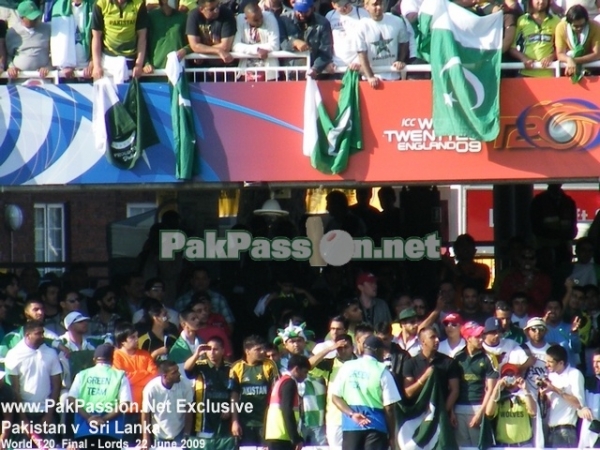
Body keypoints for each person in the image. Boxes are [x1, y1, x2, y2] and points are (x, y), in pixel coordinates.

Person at [331, 335, 401, 450]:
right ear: (378, 350)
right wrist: (392, 435)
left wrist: (352, 414)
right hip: (376, 427)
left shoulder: (347, 366)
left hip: (351, 426)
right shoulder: (382, 371)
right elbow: (389, 408)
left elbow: (335, 397)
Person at [5, 320, 62, 441]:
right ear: (27, 335)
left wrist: (49, 414)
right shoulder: (14, 355)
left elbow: (57, 385)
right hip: (24, 411)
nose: (42, 336)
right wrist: (23, 419)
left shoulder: (51, 353)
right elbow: (15, 389)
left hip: (46, 411)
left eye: (43, 333)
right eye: (38, 333)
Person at [68, 344, 132, 449]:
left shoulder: (82, 375)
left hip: (84, 430)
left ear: (94, 359)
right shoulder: (120, 376)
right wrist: (104, 419)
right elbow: (125, 404)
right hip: (111, 431)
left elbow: (71, 399)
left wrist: (89, 418)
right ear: (112, 360)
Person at [453, 321, 499, 447]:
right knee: (461, 447)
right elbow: (452, 387)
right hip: (459, 408)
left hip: (479, 407)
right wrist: (451, 411)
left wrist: (480, 413)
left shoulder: (489, 358)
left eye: (482, 335)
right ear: (467, 338)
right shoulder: (457, 357)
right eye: (477, 336)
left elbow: (491, 389)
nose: (481, 339)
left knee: (478, 446)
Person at [403, 327, 460, 425]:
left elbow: (455, 390)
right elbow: (408, 393)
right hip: (417, 418)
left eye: (437, 337)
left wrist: (443, 412)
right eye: (432, 337)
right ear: (423, 341)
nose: (437, 340)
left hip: (440, 416)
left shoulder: (448, 362)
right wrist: (424, 378)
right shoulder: (410, 364)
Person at [230, 335, 280, 446]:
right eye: (258, 349)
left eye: (263, 348)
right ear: (247, 351)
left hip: (266, 421)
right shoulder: (236, 367)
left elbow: (276, 392)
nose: (263, 351)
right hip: (245, 422)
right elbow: (234, 396)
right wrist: (235, 421)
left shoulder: (270, 365)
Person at [91, 0, 148, 81]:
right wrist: (96, 66)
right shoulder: (101, 4)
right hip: (107, 58)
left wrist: (139, 64)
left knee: (123, 91)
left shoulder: (139, 4)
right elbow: (96, 37)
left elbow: (142, 37)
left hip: (130, 58)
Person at [541, 344, 586, 448]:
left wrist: (555, 389)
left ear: (561, 363)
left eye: (550, 362)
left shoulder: (574, 374)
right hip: (550, 430)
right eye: (546, 361)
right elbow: (549, 405)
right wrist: (543, 394)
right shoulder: (551, 376)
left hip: (566, 430)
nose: (546, 365)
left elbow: (579, 403)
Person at [355, 0, 408, 86]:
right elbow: (361, 54)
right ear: (366, 6)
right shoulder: (361, 26)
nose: (379, 7)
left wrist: (400, 60)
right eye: (375, 4)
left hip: (393, 77)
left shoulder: (397, 21)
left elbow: (404, 43)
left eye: (380, 4)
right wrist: (370, 76)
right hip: (370, 81)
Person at [142, 361, 193, 448]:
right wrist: (146, 437)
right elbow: (145, 413)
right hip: (159, 433)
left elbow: (189, 411)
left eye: (177, 370)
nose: (179, 374)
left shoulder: (186, 384)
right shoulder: (151, 388)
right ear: (165, 376)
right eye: (174, 372)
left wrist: (186, 434)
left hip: (180, 432)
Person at [484, 363, 538, 447]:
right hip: (503, 446)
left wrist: (525, 389)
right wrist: (496, 389)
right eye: (506, 375)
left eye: (512, 375)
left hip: (524, 445)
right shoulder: (499, 397)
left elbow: (533, 411)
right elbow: (489, 413)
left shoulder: (525, 395)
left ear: (518, 376)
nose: (510, 378)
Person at [264, 354, 310, 450]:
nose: (306, 376)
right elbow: (287, 410)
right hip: (283, 436)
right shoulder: (289, 383)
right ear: (296, 369)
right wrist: (295, 438)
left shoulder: (280, 381)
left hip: (274, 435)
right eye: (305, 372)